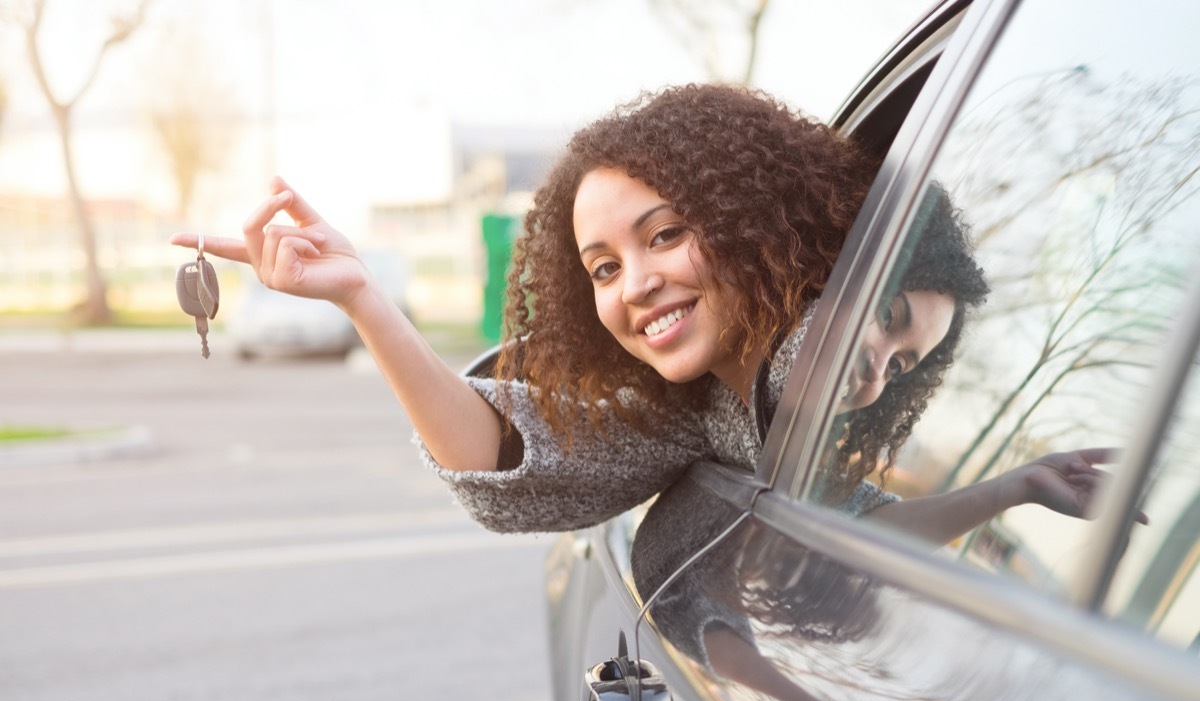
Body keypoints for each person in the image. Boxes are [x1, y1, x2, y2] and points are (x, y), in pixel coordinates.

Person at [170, 83, 1113, 540]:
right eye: (608, 263)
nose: (634, 286)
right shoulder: (688, 410)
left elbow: (859, 508)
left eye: (905, 356)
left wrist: (1015, 487)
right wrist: (362, 296)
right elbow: (503, 458)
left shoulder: (778, 404)